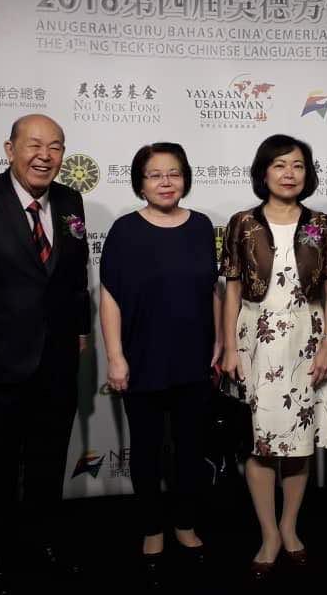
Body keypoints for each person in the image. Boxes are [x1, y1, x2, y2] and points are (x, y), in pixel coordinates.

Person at [0, 114, 90, 594]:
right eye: (33, 145)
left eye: (55, 146)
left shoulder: (71, 200)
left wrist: (81, 330)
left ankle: (41, 544)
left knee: (48, 463)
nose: (44, 155)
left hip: (56, 361)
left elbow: (74, 276)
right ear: (10, 149)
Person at [219, 134, 327, 579]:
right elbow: (231, 287)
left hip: (308, 339)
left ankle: (291, 528)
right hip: (257, 337)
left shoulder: (322, 223)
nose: (289, 173)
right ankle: (268, 532)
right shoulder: (242, 223)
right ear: (264, 173)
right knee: (261, 440)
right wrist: (230, 346)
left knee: (298, 443)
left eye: (298, 166)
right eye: (279, 165)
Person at [99, 142, 221, 586]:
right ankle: (152, 527)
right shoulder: (124, 230)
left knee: (190, 449)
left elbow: (212, 289)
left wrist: (221, 341)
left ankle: (185, 524)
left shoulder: (202, 226)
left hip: (194, 357)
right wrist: (115, 356)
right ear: (140, 182)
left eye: (173, 173)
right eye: (154, 175)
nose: (165, 182)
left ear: (185, 177)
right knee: (148, 450)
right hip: (142, 358)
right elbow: (109, 295)